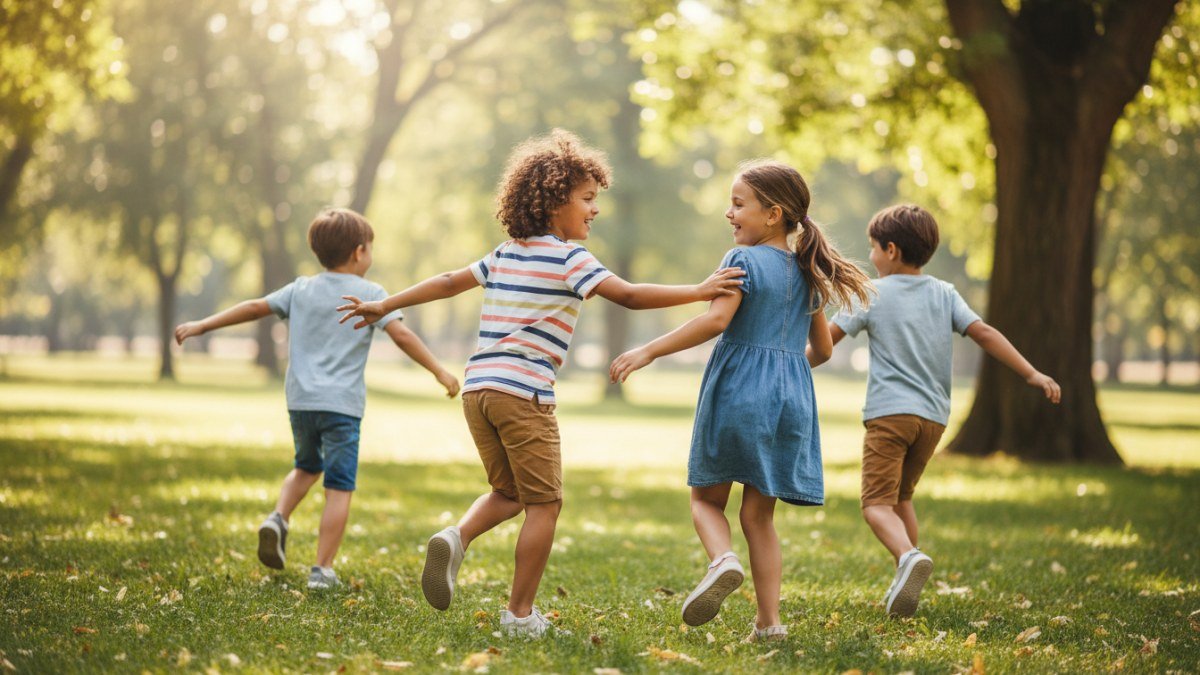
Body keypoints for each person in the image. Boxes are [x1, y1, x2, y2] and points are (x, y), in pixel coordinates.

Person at [337, 129, 744, 639]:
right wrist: (700, 289)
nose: (595, 210)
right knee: (545, 504)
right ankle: (520, 615)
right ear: (555, 201)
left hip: (479, 389)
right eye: (588, 199)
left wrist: (386, 302)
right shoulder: (570, 259)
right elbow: (632, 295)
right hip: (524, 392)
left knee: (507, 492)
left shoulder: (506, 253)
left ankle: (455, 536)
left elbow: (445, 282)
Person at [610, 159, 872, 642]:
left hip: (738, 393)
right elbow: (825, 350)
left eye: (737, 204)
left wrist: (647, 349)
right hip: (790, 401)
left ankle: (722, 560)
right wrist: (783, 368)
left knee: (706, 498)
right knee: (759, 515)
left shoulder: (742, 262)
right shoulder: (808, 270)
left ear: (772, 214)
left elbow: (715, 322)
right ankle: (770, 625)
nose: (728, 214)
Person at [175, 208, 460, 590]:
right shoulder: (372, 294)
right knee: (339, 486)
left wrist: (202, 325)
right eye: (370, 249)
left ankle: (278, 517)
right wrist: (440, 371)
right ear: (359, 252)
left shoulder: (300, 289)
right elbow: (402, 336)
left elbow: (254, 307)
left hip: (301, 402)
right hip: (341, 406)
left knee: (307, 466)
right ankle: (322, 569)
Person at [814, 204, 1061, 618]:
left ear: (891, 250)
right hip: (932, 419)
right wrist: (1031, 372)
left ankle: (908, 556)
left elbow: (827, 343)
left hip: (890, 415)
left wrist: (791, 365)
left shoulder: (871, 294)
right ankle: (907, 575)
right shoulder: (944, 293)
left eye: (873, 248)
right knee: (902, 498)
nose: (870, 256)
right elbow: (983, 332)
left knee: (876, 504)